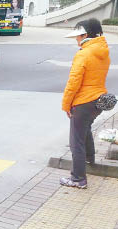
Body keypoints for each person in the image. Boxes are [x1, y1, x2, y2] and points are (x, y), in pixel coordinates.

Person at [60, 18, 109, 189]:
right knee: (85, 128)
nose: (76, 39)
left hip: (83, 101)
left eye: (78, 36)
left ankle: (78, 178)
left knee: (76, 141)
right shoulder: (103, 51)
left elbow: (73, 82)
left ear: (86, 35)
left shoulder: (83, 54)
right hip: (99, 100)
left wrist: (66, 105)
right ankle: (90, 158)